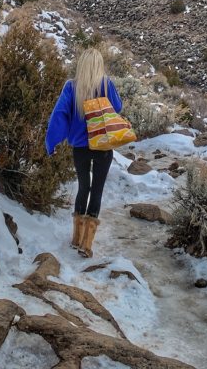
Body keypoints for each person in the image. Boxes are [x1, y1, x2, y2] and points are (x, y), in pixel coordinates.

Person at [45, 48, 122, 258]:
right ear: (99, 65)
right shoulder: (107, 84)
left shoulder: (71, 87)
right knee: (97, 190)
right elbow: (118, 107)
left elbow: (59, 115)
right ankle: (86, 245)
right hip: (103, 147)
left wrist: (51, 142)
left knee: (83, 187)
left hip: (80, 148)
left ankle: (76, 239)